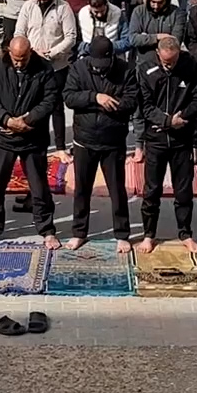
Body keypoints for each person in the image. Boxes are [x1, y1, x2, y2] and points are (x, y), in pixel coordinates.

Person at [0, 35, 61, 249]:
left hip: (32, 136)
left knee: (39, 186)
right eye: (15, 59)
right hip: (2, 136)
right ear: (9, 52)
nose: (19, 63)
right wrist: (7, 120)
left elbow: (50, 99)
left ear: (30, 52)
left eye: (23, 59)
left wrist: (28, 120)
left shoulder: (44, 68)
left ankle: (47, 229)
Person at [64, 37, 141, 253]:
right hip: (84, 139)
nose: (100, 69)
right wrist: (95, 98)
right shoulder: (79, 68)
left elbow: (131, 101)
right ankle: (79, 232)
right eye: (97, 65)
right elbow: (69, 97)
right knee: (82, 190)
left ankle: (122, 234)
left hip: (113, 140)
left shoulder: (126, 70)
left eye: (104, 65)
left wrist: (111, 105)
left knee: (117, 189)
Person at [135, 35, 197, 252]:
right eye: (166, 62)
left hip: (182, 139)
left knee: (184, 191)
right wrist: (167, 121)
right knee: (151, 191)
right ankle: (149, 234)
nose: (170, 65)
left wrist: (182, 118)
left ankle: (185, 233)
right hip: (156, 139)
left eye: (174, 61)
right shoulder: (145, 69)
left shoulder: (189, 65)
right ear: (158, 53)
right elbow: (145, 106)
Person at [14, 0, 78, 150]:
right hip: (33, 63)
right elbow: (19, 33)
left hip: (57, 66)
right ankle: (34, 143)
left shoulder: (63, 8)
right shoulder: (28, 6)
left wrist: (51, 53)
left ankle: (60, 146)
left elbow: (71, 37)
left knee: (56, 107)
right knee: (32, 105)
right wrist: (31, 51)